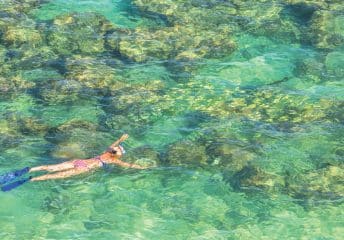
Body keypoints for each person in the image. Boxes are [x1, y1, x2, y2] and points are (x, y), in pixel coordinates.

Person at [0, 134, 145, 191]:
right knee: (51, 176)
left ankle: (27, 170)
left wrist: (121, 139)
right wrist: (143, 167)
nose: (117, 148)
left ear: (117, 153)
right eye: (118, 148)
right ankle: (27, 179)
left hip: (79, 162)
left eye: (118, 149)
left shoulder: (109, 153)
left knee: (49, 168)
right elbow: (128, 165)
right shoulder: (112, 158)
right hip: (82, 168)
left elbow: (125, 160)